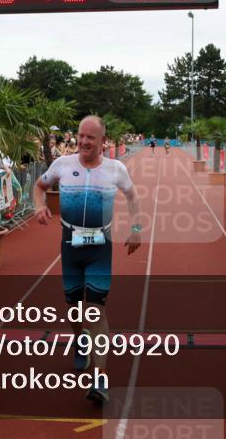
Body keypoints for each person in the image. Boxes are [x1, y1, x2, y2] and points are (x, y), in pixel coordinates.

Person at [33, 115, 143, 405]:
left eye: (90, 137)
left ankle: (101, 379)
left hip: (99, 248)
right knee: (73, 308)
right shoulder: (62, 165)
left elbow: (133, 197)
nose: (83, 141)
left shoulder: (115, 170)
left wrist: (135, 229)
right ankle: (80, 340)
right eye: (81, 136)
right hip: (70, 246)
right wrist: (38, 206)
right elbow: (38, 187)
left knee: (95, 311)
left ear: (102, 141)